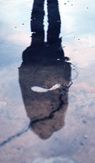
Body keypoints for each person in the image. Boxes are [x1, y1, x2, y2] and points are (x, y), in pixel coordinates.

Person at [19, 0, 72, 139]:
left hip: (40, 60)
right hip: (45, 60)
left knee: (43, 28)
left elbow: (24, 83)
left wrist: (66, 67)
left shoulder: (52, 114)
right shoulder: (55, 115)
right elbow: (64, 89)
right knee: (48, 27)